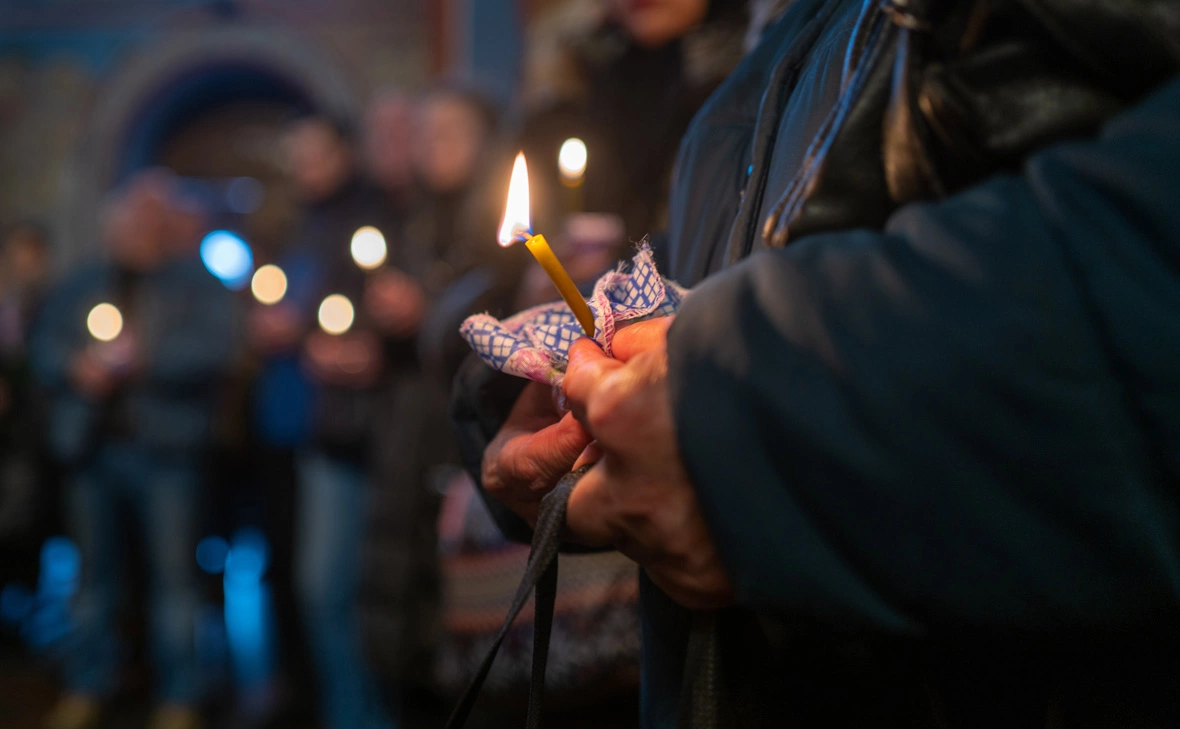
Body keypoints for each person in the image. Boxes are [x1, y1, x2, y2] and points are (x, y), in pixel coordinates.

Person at [457, 1, 1180, 727]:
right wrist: (523, 388)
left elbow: (1144, 265)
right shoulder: (781, 36)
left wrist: (746, 418)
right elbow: (724, 268)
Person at [31, 172, 235, 729]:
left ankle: (179, 696)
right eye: (133, 213)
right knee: (93, 577)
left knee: (174, 581)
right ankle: (88, 681)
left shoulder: (195, 283)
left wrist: (147, 359)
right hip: (93, 448)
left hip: (167, 452)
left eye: (154, 214)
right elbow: (46, 343)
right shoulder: (83, 281)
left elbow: (217, 347)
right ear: (113, 219)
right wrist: (78, 367)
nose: (141, 224)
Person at [249, 113, 395, 729]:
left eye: (315, 152)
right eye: (296, 155)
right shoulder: (302, 224)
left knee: (341, 588)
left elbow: (376, 314)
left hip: (358, 427)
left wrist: (324, 338)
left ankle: (361, 714)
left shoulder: (374, 217)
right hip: (306, 423)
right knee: (315, 587)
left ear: (345, 152)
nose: (303, 166)